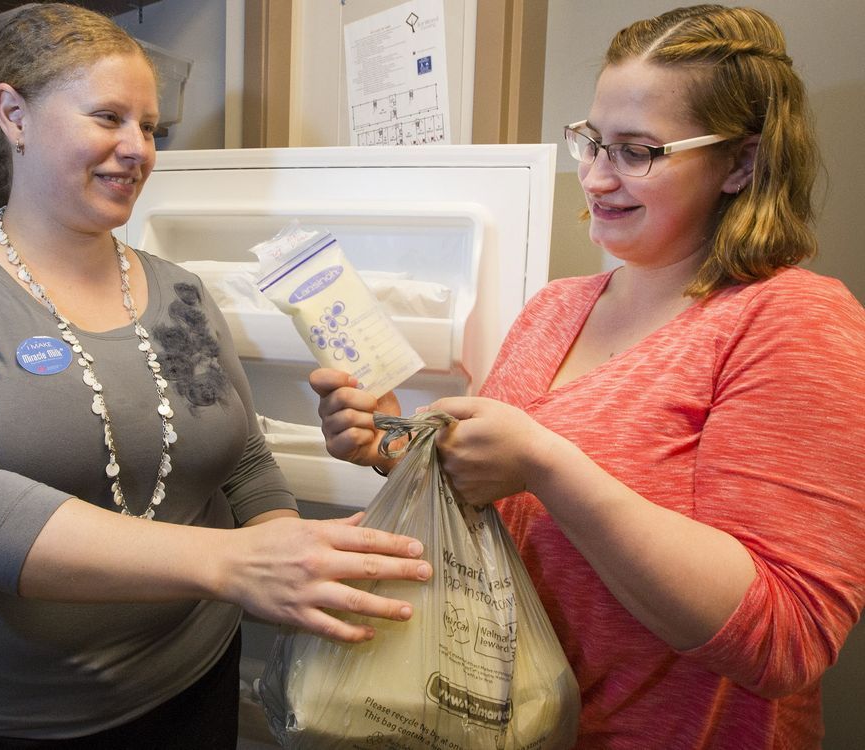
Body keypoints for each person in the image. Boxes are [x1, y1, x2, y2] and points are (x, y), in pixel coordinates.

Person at [0, 4, 432, 748]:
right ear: (14, 113)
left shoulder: (179, 293)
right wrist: (231, 562)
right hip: (10, 718)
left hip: (193, 683)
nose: (138, 149)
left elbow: (244, 460)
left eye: (150, 128)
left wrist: (293, 561)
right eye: (108, 118)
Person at [312, 5, 865, 749]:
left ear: (742, 163)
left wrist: (547, 464)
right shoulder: (556, 308)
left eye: (637, 151)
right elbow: (500, 510)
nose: (597, 177)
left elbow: (785, 637)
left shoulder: (790, 320)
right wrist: (395, 445)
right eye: (592, 141)